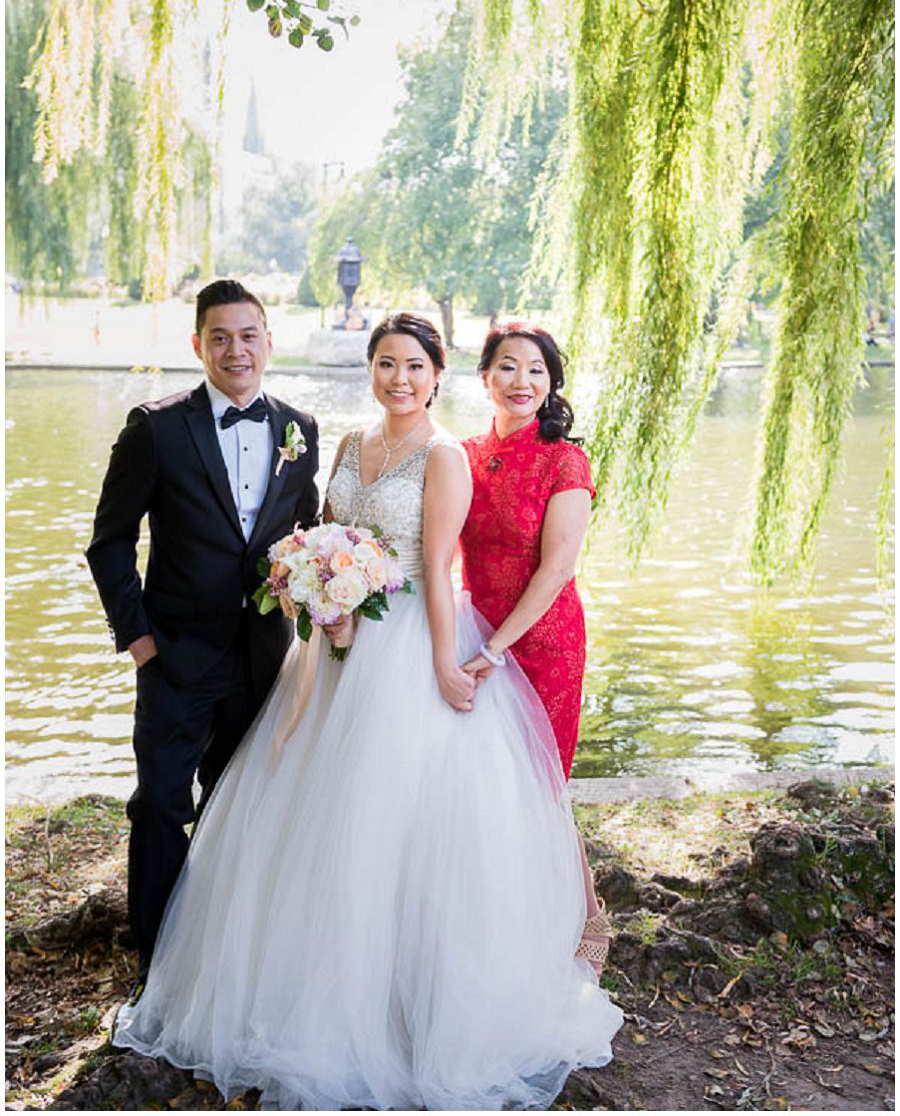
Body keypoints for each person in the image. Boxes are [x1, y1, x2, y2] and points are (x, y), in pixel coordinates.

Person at [113, 311, 622, 1111]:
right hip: (340, 647)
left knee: (393, 820)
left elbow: (438, 568)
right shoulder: (347, 445)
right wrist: (320, 593)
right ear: (372, 370)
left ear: (439, 374)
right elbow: (328, 535)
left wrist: (448, 666)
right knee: (308, 808)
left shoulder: (447, 455)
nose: (399, 379)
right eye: (386, 364)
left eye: (415, 367)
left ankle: (402, 1005)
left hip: (415, 639)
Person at [86, 279, 319, 992]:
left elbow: (303, 535)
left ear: (268, 340)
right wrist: (140, 641)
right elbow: (110, 542)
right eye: (219, 337)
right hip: (175, 657)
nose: (235, 350)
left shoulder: (299, 430)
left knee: (235, 805)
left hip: (261, 661)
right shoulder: (155, 428)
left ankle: (219, 954)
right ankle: (155, 964)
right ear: (198, 345)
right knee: (160, 803)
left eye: (248, 335)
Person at [457, 322, 612, 966]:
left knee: (540, 781)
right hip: (473, 629)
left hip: (541, 639)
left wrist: (497, 649)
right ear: (485, 377)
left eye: (537, 371)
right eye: (509, 368)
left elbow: (556, 570)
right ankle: (497, 915)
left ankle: (587, 912)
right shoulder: (460, 454)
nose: (523, 382)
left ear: (551, 384)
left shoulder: (564, 459)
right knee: (481, 779)